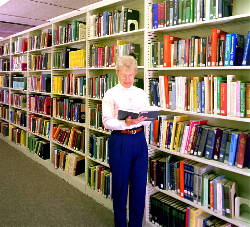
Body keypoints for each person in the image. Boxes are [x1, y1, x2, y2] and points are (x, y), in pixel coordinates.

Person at [102, 56, 150, 227]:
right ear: (117, 73)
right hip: (120, 141)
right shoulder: (111, 93)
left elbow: (148, 119)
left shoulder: (141, 93)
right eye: (124, 75)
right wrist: (125, 122)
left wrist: (140, 120)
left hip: (139, 140)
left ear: (135, 73)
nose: (128, 79)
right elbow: (107, 122)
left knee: (138, 189)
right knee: (120, 188)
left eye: (131, 75)